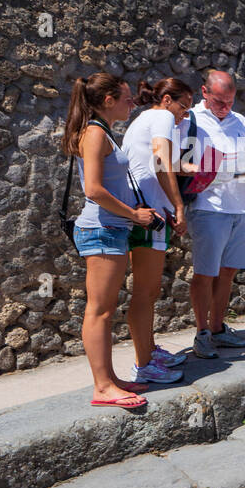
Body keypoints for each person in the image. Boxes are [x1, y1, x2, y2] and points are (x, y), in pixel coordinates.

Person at [61, 73, 159, 409]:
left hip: (111, 230)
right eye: (127, 99)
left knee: (105, 309)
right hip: (101, 230)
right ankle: (102, 387)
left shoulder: (102, 132)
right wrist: (134, 215)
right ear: (108, 101)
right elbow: (94, 190)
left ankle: (110, 379)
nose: (132, 104)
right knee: (99, 311)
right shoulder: (94, 133)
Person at [120, 77, 194, 383]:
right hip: (149, 214)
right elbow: (162, 161)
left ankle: (148, 349)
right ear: (166, 100)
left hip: (146, 210)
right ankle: (144, 363)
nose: (184, 115)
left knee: (147, 291)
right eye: (183, 106)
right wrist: (179, 207)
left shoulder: (145, 119)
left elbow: (164, 163)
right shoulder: (162, 117)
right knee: (145, 292)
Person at [185, 71, 245, 358]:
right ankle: (201, 332)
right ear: (204, 91)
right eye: (219, 101)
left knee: (228, 271)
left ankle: (218, 328)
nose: (225, 107)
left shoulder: (241, 122)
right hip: (208, 206)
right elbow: (181, 160)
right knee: (205, 272)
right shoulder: (190, 120)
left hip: (239, 205)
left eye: (229, 101)